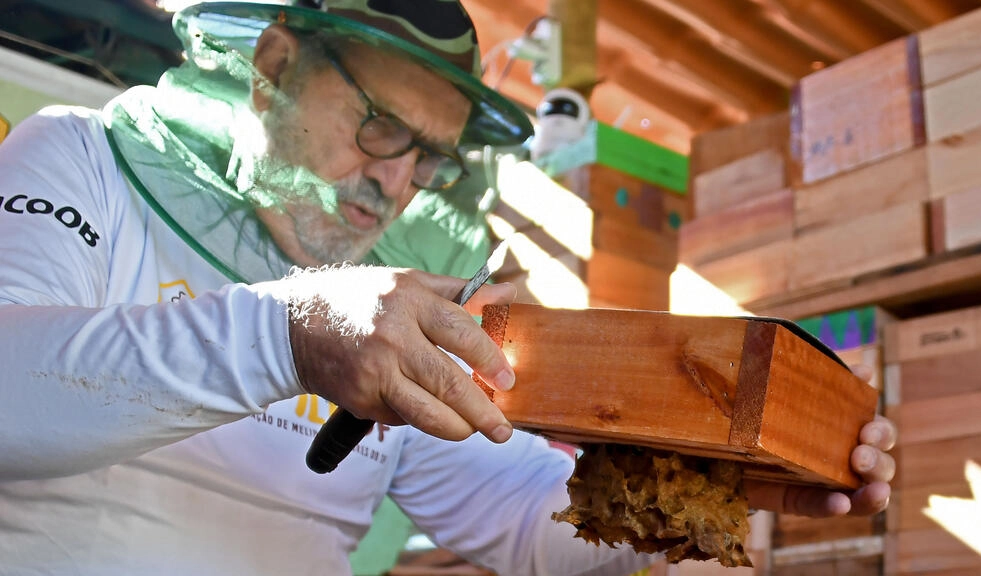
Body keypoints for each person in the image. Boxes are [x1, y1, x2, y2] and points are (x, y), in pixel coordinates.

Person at [0, 1, 896, 574]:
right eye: (381, 127)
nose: (393, 183)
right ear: (275, 63)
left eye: (429, 155)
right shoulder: (82, 158)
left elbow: (522, 522)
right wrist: (289, 334)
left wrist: (702, 486)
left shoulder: (393, 296)